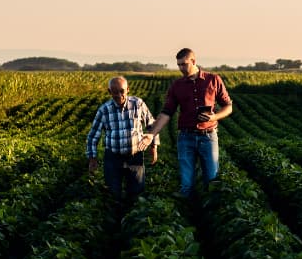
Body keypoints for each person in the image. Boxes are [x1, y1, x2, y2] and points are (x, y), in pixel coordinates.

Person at [137, 48, 232, 197]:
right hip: (185, 138)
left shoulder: (213, 79)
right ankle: (187, 210)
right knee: (187, 184)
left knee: (212, 180)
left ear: (193, 61)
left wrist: (214, 117)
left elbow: (228, 106)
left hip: (208, 137)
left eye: (184, 64)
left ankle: (209, 212)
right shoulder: (177, 86)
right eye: (179, 65)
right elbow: (167, 112)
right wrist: (151, 134)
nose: (181, 68)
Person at [86, 76, 159, 205]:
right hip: (113, 158)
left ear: (128, 90)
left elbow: (152, 125)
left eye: (122, 91)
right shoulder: (104, 110)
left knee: (136, 194)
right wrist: (92, 158)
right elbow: (93, 136)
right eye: (114, 92)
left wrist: (154, 147)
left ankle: (131, 216)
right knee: (113, 194)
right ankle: (116, 216)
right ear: (109, 92)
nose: (119, 95)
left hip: (135, 156)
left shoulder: (138, 104)